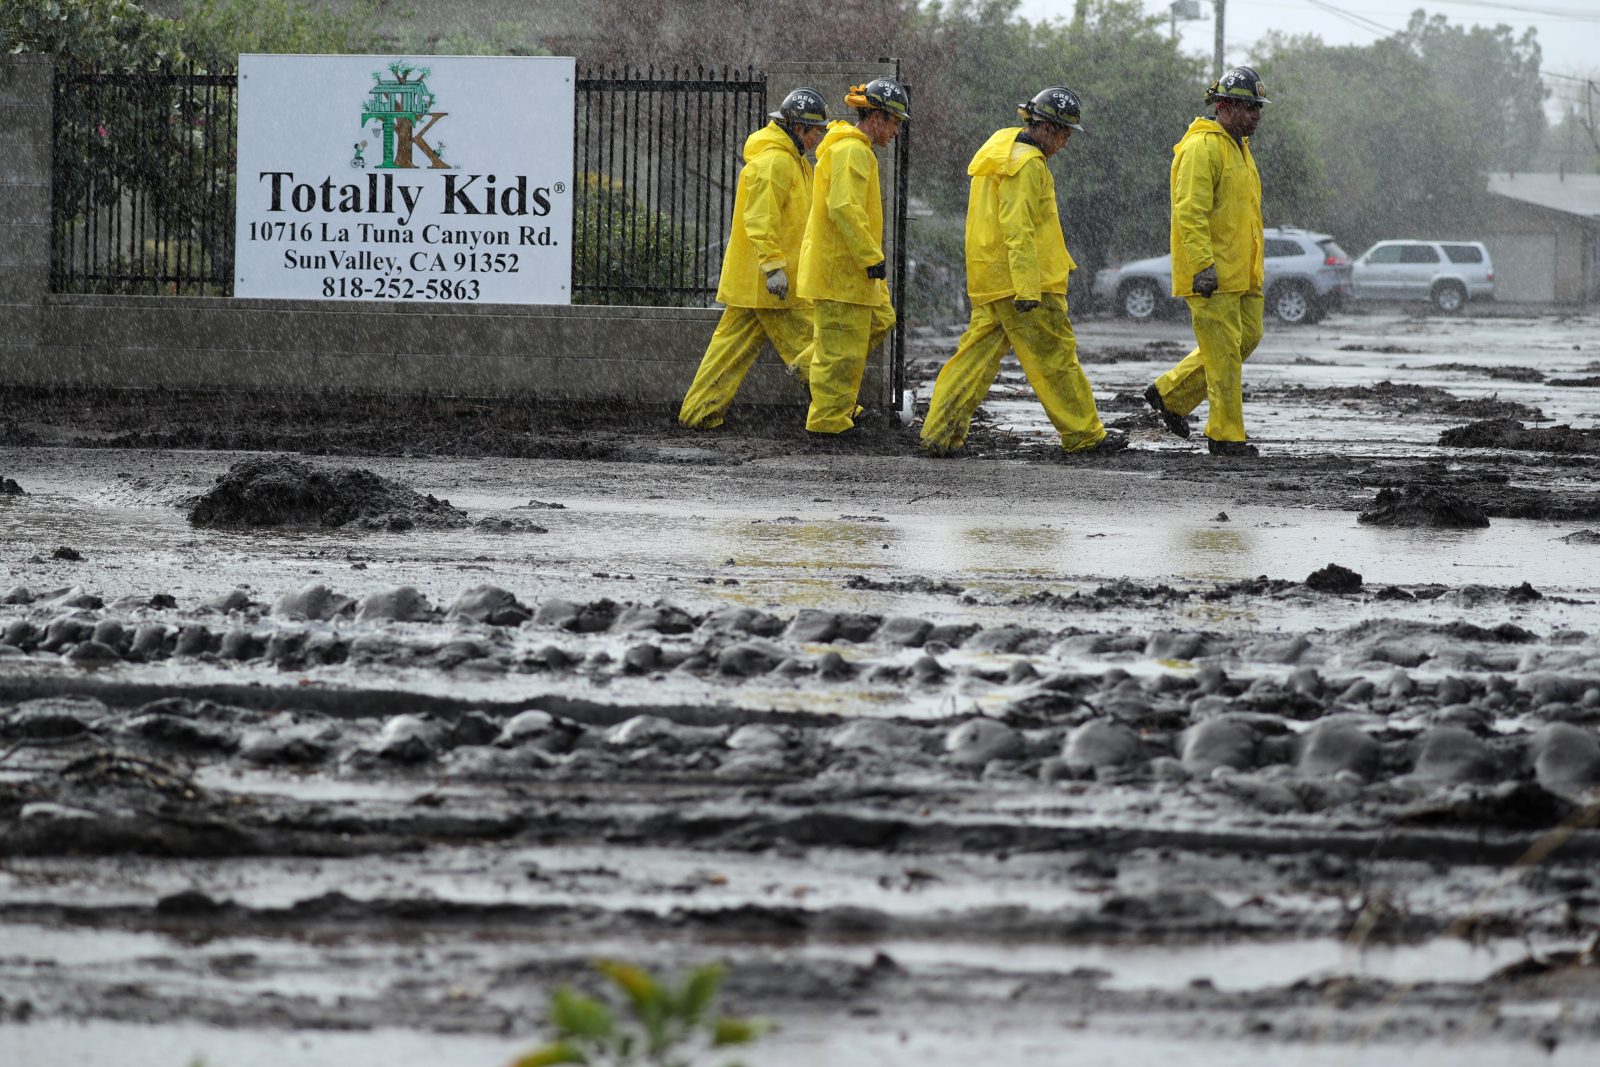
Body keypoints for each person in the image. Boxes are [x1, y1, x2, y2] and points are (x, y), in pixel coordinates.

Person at [921, 87, 1124, 457]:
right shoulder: (1027, 163)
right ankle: (1084, 434)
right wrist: (1029, 287)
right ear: (1044, 128)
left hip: (992, 279)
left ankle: (938, 434)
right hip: (1026, 285)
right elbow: (1018, 227)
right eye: (1063, 134)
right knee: (1055, 358)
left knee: (972, 361)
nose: (1065, 144)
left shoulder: (998, 153)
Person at [678, 88, 830, 429]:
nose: (820, 136)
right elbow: (760, 219)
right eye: (816, 130)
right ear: (797, 128)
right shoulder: (776, 162)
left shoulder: (790, 161)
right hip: (772, 283)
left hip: (758, 283)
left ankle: (698, 415)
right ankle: (837, 409)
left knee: (727, 355)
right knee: (815, 346)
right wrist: (774, 267)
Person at [1144, 66, 1269, 458]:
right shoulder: (1202, 147)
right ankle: (1226, 436)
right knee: (1224, 358)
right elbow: (1189, 212)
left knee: (1246, 339)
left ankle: (1169, 394)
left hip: (1242, 274)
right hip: (1211, 276)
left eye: (1259, 108)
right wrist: (1203, 266)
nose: (1257, 116)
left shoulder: (1239, 148)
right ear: (1226, 106)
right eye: (1250, 108)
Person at [793, 77, 907, 442]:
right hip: (842, 270)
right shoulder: (852, 151)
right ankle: (828, 423)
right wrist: (872, 257)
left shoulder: (853, 149)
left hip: (848, 271)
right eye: (894, 122)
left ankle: (809, 366)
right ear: (875, 117)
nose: (896, 130)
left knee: (880, 320)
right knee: (840, 352)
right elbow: (844, 207)